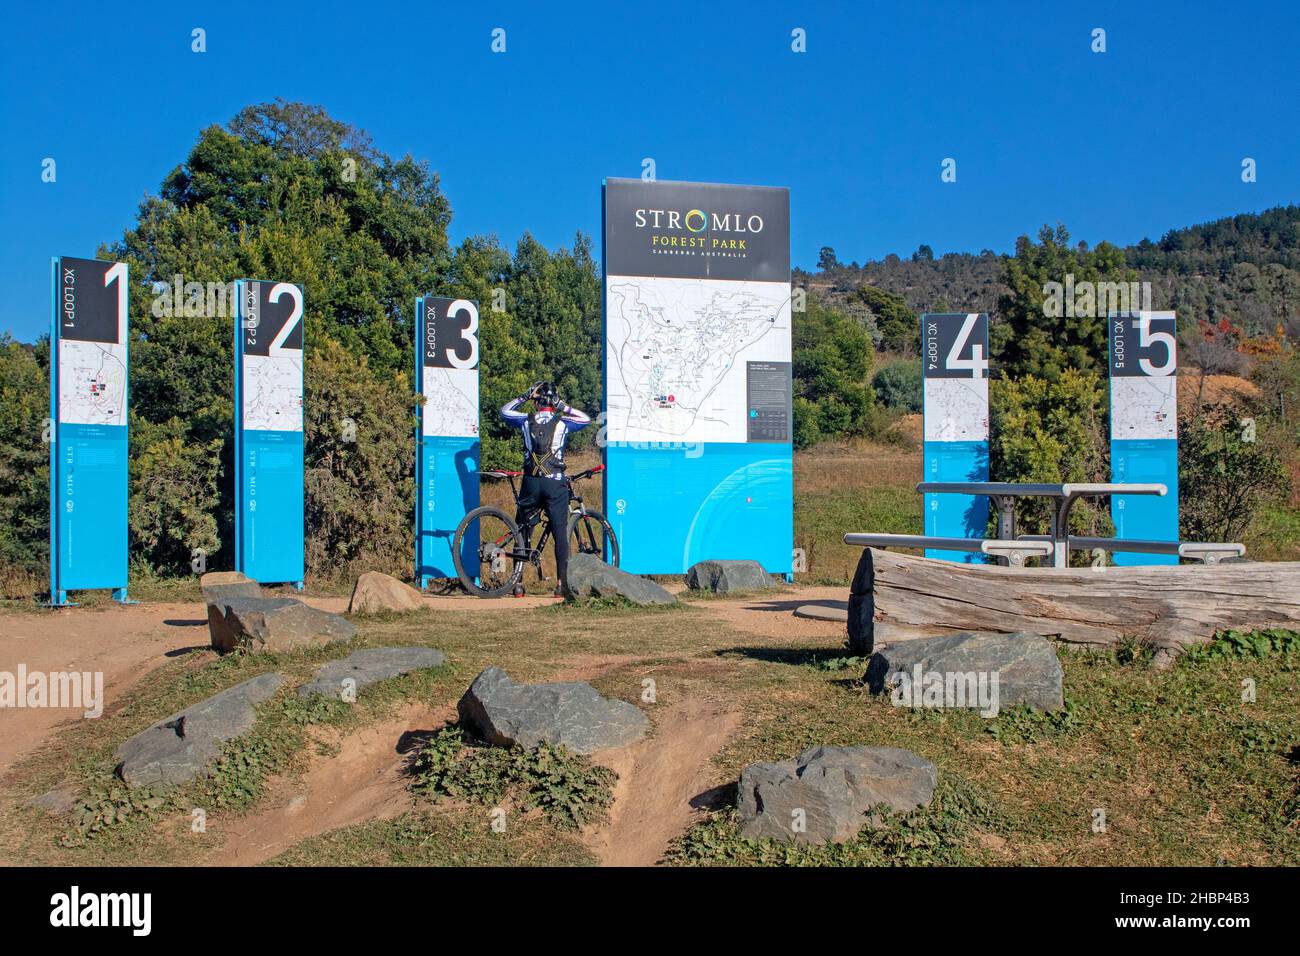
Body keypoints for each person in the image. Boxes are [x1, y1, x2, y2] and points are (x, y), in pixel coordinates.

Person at [500, 382, 592, 595]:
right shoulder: (562, 422)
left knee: (522, 530)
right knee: (560, 532)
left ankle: (518, 584)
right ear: (553, 402)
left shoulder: (525, 419)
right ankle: (561, 586)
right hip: (554, 483)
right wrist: (564, 406)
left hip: (531, 482)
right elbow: (586, 419)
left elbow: (504, 412)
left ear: (537, 402)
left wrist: (524, 396)